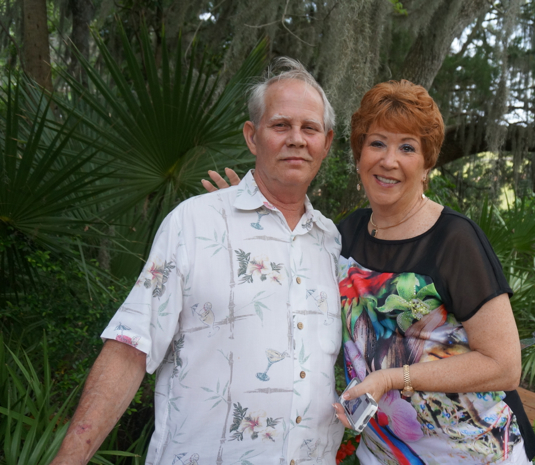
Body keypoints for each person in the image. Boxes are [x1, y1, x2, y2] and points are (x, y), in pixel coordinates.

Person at [206, 80, 535, 464]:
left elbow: (504, 366)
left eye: (407, 147)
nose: (389, 160)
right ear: (359, 153)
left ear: (427, 162)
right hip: (382, 454)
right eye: (377, 143)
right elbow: (296, 292)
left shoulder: (454, 240)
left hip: (472, 453)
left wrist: (394, 378)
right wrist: (255, 217)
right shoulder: (344, 235)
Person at [49, 58, 344, 465]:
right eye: (280, 125)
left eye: (309, 128)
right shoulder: (194, 222)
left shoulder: (330, 242)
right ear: (252, 137)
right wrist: (69, 457)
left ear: (326, 143)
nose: (296, 139)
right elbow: (130, 347)